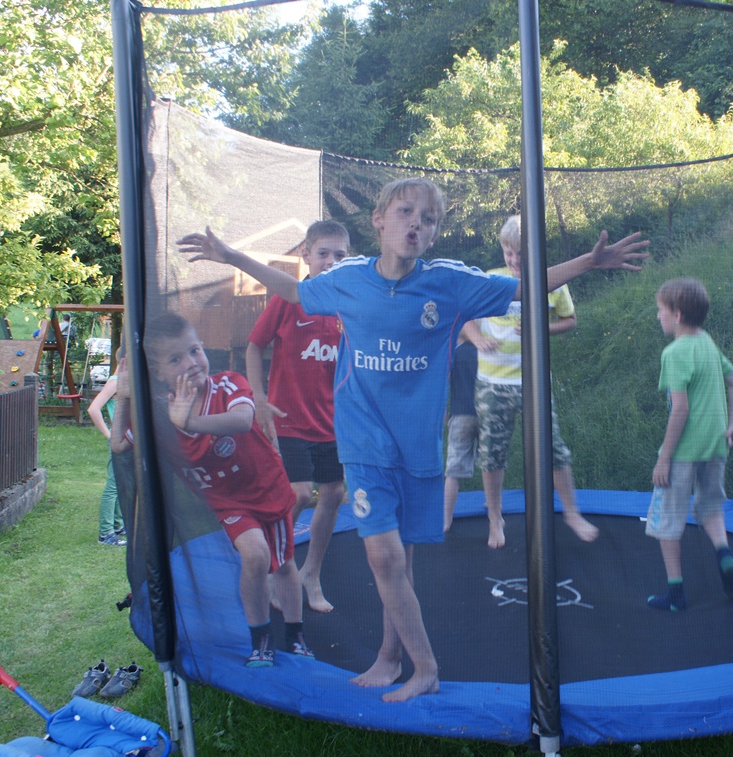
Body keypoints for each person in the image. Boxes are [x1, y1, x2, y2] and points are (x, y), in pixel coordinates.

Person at [177, 177, 649, 702]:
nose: (415, 224)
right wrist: (231, 256)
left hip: (419, 449)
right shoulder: (348, 279)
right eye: (405, 212)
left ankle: (390, 655)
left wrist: (588, 262)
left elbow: (525, 288)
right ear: (379, 219)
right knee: (384, 559)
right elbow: (292, 290)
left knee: (400, 562)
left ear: (435, 233)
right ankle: (427, 669)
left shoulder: (450, 282)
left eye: (428, 219)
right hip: (363, 444)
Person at [138, 312, 313, 667]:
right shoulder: (159, 416)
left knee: (283, 564)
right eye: (175, 359)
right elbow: (119, 445)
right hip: (228, 501)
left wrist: (190, 421)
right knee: (256, 555)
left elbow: (243, 420)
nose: (191, 363)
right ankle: (261, 638)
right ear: (158, 373)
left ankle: (295, 633)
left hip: (267, 489)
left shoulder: (228, 384)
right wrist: (126, 395)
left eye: (195, 351)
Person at [463, 215, 596, 548]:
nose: (514, 261)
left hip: (534, 382)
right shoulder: (492, 280)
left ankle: (572, 512)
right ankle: (495, 518)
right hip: (492, 383)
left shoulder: (553, 282)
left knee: (554, 449)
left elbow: (570, 320)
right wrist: (477, 338)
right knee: (491, 454)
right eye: (509, 253)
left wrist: (542, 328)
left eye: (521, 255)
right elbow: (464, 317)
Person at [245, 220, 349, 613]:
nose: (330, 261)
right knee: (301, 493)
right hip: (288, 420)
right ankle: (275, 566)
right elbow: (255, 345)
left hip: (331, 422)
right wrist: (258, 397)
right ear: (306, 254)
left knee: (334, 493)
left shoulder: (347, 306)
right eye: (323, 253)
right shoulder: (289, 299)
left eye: (340, 255)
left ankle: (311, 573)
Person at [645, 277, 733, 612]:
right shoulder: (706, 342)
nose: (657, 316)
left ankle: (676, 594)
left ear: (677, 315)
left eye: (660, 310)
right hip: (716, 444)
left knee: (668, 520)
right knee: (710, 507)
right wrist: (732, 423)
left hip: (683, 452)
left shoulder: (674, 353)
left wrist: (664, 458)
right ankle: (723, 552)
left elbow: (681, 409)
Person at [87, 352, 128, 546]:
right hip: (117, 440)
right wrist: (109, 435)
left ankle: (118, 525)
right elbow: (93, 409)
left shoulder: (123, 382)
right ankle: (106, 533)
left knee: (120, 484)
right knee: (113, 486)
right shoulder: (114, 382)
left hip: (126, 441)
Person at [442, 330, 478, 532]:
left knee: (453, 471)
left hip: (460, 415)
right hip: (487, 413)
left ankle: (446, 518)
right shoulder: (485, 351)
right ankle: (495, 510)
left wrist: (444, 412)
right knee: (492, 466)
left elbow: (443, 383)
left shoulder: (452, 353)